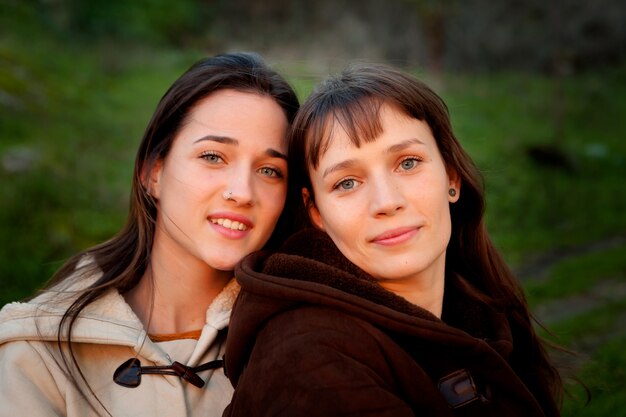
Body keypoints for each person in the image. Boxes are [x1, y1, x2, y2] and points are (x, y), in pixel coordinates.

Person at [223, 63, 562, 416]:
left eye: (408, 163)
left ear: (451, 175)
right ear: (316, 213)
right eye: (347, 183)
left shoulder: (483, 308)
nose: (386, 202)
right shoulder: (307, 359)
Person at [0, 52, 299, 416]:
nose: (242, 192)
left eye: (270, 171)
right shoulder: (37, 356)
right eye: (213, 157)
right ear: (152, 172)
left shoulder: (305, 341)